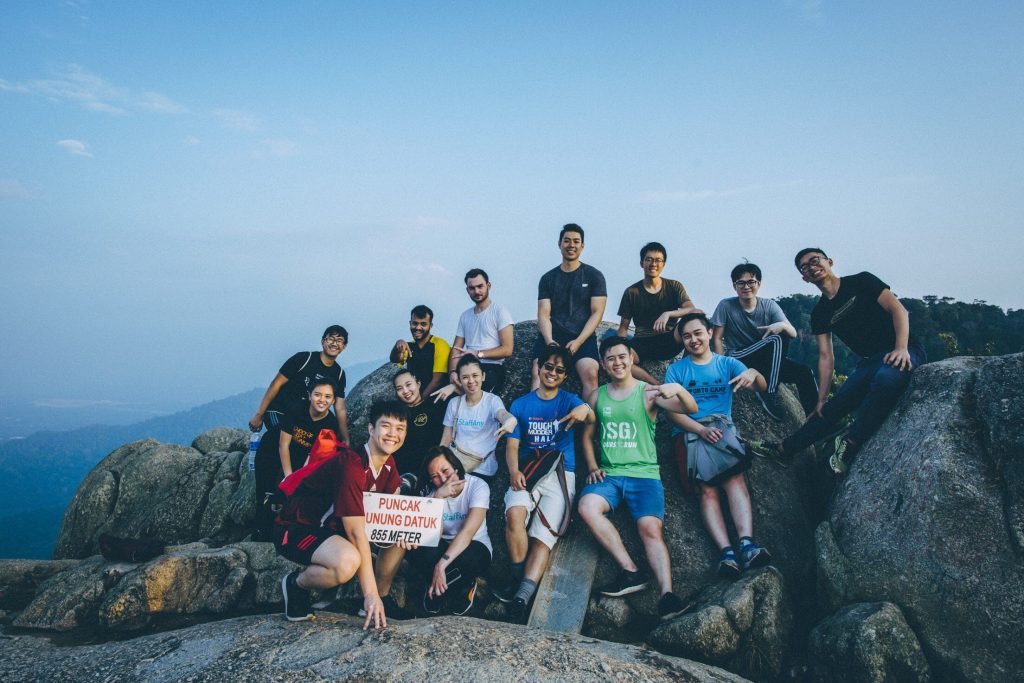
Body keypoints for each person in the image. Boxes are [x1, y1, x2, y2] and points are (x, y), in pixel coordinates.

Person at [752, 249, 926, 475]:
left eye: (815, 260)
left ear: (829, 261)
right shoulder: (820, 313)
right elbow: (826, 357)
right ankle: (784, 449)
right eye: (804, 267)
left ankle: (850, 442)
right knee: (829, 410)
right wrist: (821, 400)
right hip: (869, 362)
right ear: (804, 278)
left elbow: (898, 310)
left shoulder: (862, 281)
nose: (811, 266)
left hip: (904, 349)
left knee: (886, 380)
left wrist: (901, 348)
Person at [578, 336, 698, 621]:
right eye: (610, 359)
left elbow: (690, 409)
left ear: (631, 358)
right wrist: (593, 465)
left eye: (622, 357)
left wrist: (678, 389)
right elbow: (586, 436)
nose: (617, 363)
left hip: (644, 475)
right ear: (604, 365)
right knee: (586, 507)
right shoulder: (597, 396)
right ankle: (630, 571)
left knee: (650, 530)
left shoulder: (648, 393)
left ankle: (668, 596)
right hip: (610, 476)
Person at [274, 399, 407, 629]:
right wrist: (369, 594)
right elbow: (356, 534)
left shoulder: (388, 464)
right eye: (385, 426)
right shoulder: (352, 465)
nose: (392, 434)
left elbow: (389, 509)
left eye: (400, 429)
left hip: (335, 531)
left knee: (401, 536)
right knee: (347, 562)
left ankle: (379, 599)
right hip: (298, 527)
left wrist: (403, 533)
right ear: (370, 429)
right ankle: (296, 585)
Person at [665, 313, 773, 577]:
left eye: (698, 333)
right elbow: (670, 411)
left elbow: (762, 386)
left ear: (710, 333)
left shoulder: (727, 364)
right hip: (691, 431)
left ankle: (747, 545)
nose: (693, 340)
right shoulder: (677, 370)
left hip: (723, 430)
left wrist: (753, 372)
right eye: (687, 336)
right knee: (707, 490)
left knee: (735, 481)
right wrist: (701, 430)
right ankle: (726, 553)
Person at [496, 346, 594, 623]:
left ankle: (521, 598)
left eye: (559, 370)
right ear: (539, 368)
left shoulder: (568, 400)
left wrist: (583, 410)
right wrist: (513, 471)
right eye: (548, 367)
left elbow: (592, 418)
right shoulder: (521, 404)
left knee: (543, 536)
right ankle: (516, 577)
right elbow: (512, 445)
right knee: (514, 514)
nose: (552, 373)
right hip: (528, 470)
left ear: (565, 376)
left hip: (562, 472)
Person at [709, 262, 818, 419]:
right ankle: (769, 392)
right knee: (777, 339)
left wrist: (781, 324)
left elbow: (793, 333)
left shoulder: (769, 306)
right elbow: (717, 338)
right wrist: (721, 365)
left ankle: (814, 420)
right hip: (739, 356)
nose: (746, 286)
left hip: (766, 361)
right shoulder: (726, 305)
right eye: (741, 282)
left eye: (751, 282)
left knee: (804, 372)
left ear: (758, 284)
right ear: (735, 286)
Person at [406, 446, 493, 616]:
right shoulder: (432, 494)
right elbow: (431, 536)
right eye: (435, 477)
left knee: (470, 559)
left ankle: (451, 587)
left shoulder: (477, 486)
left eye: (445, 471)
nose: (443, 479)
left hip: (473, 545)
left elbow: (467, 532)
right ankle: (444, 588)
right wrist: (438, 499)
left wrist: (441, 566)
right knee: (420, 551)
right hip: (441, 545)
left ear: (456, 467)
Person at [253, 380, 340, 539]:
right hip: (273, 451)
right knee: (267, 491)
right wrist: (289, 476)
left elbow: (316, 455)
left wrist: (296, 479)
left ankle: (285, 531)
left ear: (333, 400)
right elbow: (283, 444)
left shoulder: (330, 424)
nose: (322, 400)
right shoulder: (297, 410)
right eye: (317, 395)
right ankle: (260, 531)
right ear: (309, 395)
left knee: (295, 494)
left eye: (328, 396)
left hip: (303, 458)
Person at [532, 224, 607, 399]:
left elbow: (597, 312)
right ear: (559, 244)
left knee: (590, 372)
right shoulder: (548, 278)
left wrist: (579, 341)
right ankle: (534, 419)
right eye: (566, 241)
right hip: (553, 335)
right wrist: (549, 340)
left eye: (576, 241)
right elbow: (543, 313)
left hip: (583, 335)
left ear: (582, 246)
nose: (571, 245)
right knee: (538, 371)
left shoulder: (594, 275)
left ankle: (589, 421)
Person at [249, 325, 350, 444]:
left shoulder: (338, 374)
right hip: (279, 410)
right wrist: (259, 415)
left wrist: (345, 438)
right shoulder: (303, 359)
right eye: (330, 339)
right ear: (323, 341)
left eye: (339, 341)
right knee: (285, 437)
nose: (334, 343)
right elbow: (275, 384)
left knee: (315, 442)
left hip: (302, 418)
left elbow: (340, 407)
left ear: (344, 346)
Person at [615, 242, 697, 384]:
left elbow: (693, 310)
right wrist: (619, 346)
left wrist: (668, 314)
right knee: (621, 360)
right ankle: (656, 383)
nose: (654, 264)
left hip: (670, 339)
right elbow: (623, 327)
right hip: (642, 341)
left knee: (693, 319)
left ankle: (685, 369)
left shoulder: (674, 286)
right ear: (642, 263)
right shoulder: (631, 292)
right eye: (649, 259)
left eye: (658, 260)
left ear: (664, 264)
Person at [440, 354, 517, 479]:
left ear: (483, 376)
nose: (471, 381)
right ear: (459, 380)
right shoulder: (454, 403)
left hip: (482, 469)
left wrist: (510, 420)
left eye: (475, 375)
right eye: (465, 377)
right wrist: (440, 464)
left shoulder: (492, 400)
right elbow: (445, 440)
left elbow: (502, 414)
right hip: (455, 465)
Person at [446, 268, 515, 395]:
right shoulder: (465, 316)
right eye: (472, 288)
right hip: (467, 367)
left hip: (490, 368)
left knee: (477, 399)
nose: (476, 291)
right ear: (467, 290)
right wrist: (453, 372)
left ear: (488, 286)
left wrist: (478, 354)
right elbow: (456, 349)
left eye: (480, 286)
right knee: (444, 398)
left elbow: (507, 349)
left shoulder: (500, 311)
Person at [391, 368, 447, 493]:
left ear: (418, 383)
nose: (405, 391)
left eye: (408, 384)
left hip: (432, 472)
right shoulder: (396, 415)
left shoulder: (435, 404)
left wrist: (452, 387)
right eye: (399, 388)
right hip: (403, 474)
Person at [389, 305, 451, 398]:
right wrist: (398, 344)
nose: (418, 327)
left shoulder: (440, 344)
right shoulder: (410, 346)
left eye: (423, 324)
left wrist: (420, 401)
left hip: (435, 398)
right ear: (410, 323)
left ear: (431, 325)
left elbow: (438, 380)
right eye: (415, 323)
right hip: (414, 397)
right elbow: (395, 359)